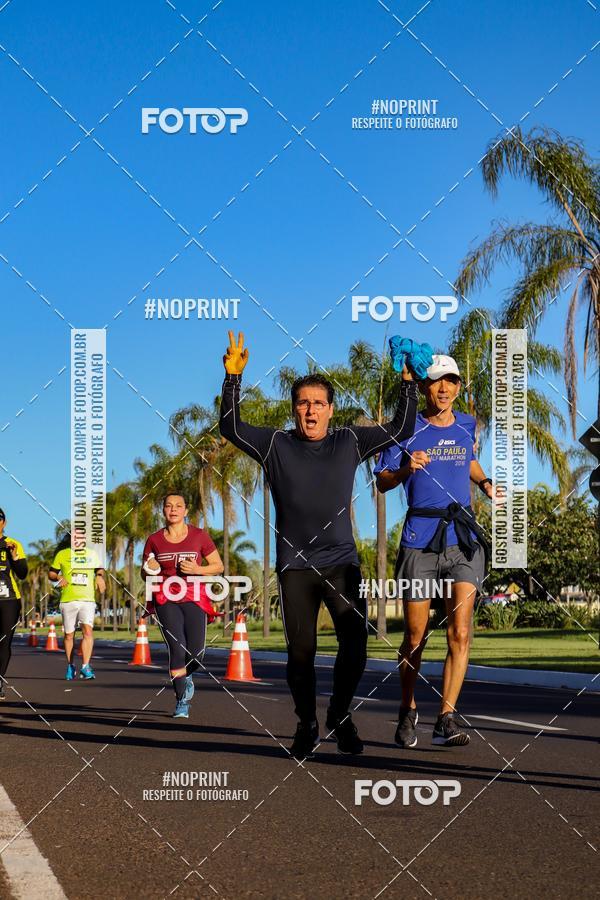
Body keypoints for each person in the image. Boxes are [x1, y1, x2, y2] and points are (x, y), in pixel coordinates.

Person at [219, 331, 419, 759]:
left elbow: (401, 427)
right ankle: (307, 722)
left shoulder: (349, 441)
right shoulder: (276, 444)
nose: (310, 409)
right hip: (295, 567)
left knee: (356, 646)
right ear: (295, 409)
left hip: (341, 563)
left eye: (318, 403)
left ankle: (341, 716)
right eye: (303, 402)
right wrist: (232, 378)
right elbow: (231, 427)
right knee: (301, 655)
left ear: (331, 409)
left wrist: (407, 383)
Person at [375, 354, 493, 748]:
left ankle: (447, 716)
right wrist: (407, 468)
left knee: (460, 631)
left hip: (462, 537)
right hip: (420, 538)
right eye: (437, 381)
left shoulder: (466, 424)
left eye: (451, 381)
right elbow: (383, 482)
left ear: (459, 386)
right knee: (415, 635)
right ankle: (408, 708)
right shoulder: (405, 428)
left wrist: (486, 482)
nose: (444, 388)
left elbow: (469, 461)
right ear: (425, 387)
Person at [141, 493, 224, 719]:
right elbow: (144, 572)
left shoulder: (199, 536)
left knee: (196, 654)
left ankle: (185, 676)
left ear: (186, 511)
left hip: (194, 595)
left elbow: (218, 566)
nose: (173, 509)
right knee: (177, 648)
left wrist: (198, 570)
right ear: (163, 511)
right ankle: (181, 700)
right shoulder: (154, 540)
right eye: (168, 505)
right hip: (165, 596)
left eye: (178, 506)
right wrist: (151, 567)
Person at [49, 530, 105, 680]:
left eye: (81, 536)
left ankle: (85, 667)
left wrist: (99, 577)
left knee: (87, 632)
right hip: (68, 599)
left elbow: (99, 568)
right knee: (69, 635)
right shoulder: (62, 554)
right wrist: (59, 576)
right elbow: (51, 573)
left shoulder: (92, 554)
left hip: (87, 599)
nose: (78, 539)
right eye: (75, 537)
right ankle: (70, 665)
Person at [0, 508, 28, 700]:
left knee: (3, 643)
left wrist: (15, 557)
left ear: (4, 523)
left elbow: (22, 574)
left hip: (8, 601)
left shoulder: (12, 544)